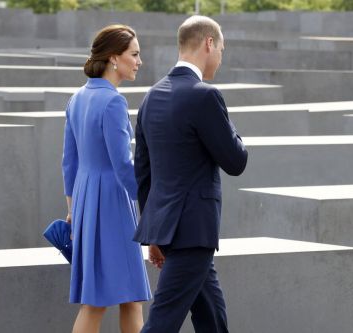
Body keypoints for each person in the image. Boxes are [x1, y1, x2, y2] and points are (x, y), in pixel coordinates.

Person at [133, 15, 248, 333]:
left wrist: (154, 232)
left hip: (170, 230)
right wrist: (228, 122)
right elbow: (236, 161)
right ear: (209, 44)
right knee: (162, 322)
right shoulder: (206, 96)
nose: (221, 59)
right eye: (221, 49)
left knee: (212, 315)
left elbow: (142, 171)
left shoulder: (151, 97)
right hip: (193, 231)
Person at [62, 24, 151, 333]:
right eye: (135, 54)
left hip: (86, 202)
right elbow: (124, 167)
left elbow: (68, 163)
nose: (139, 61)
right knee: (129, 298)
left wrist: (73, 209)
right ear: (114, 58)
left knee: (99, 298)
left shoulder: (77, 99)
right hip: (113, 203)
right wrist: (151, 204)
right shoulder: (113, 102)